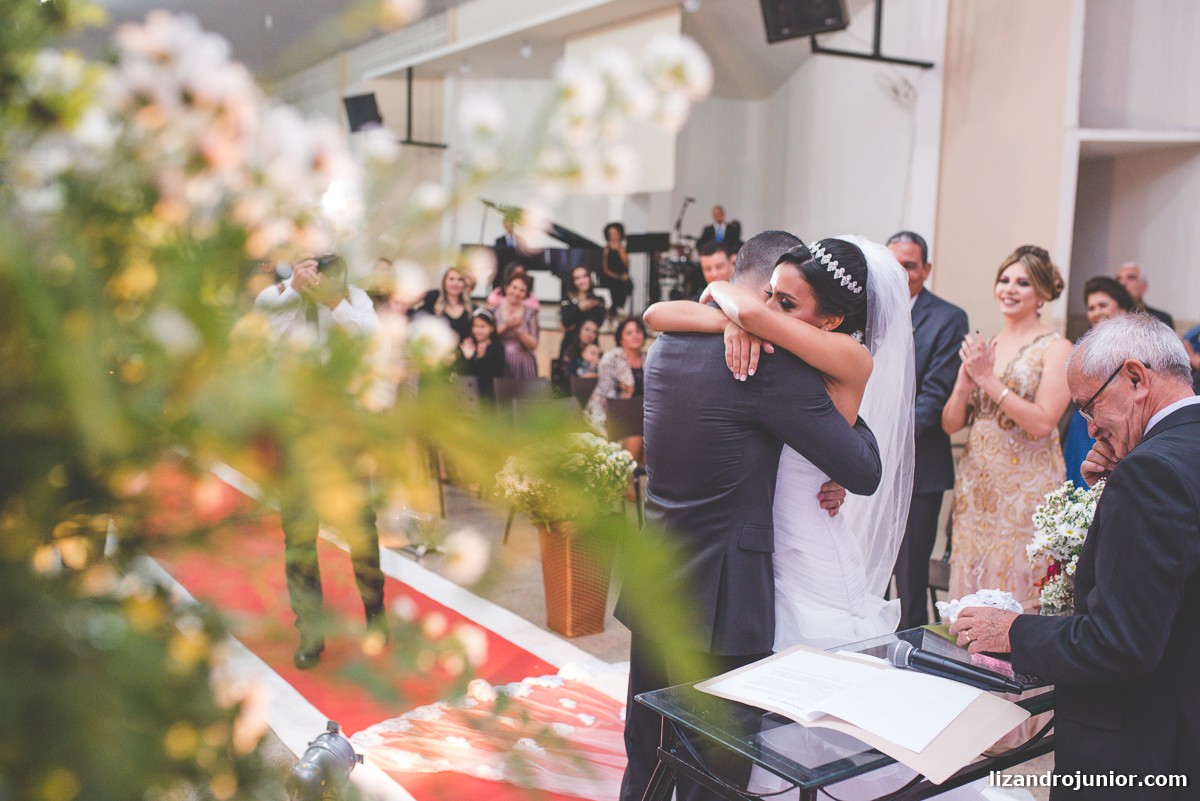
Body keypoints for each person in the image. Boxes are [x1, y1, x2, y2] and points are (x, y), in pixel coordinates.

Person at [618, 230, 885, 801]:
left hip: (655, 567)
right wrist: (853, 430)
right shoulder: (767, 364)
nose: (773, 311)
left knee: (646, 747)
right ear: (762, 290)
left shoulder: (667, 343)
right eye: (776, 300)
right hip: (723, 593)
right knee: (715, 768)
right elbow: (862, 470)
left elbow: (658, 312)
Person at [950, 313, 1200, 799]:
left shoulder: (1150, 472)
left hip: (1139, 749)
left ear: (1135, 378)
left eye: (1089, 406)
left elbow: (1119, 642)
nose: (1090, 427)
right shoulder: (1169, 453)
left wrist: (1012, 630)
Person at [645, 235, 914, 649]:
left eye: (786, 303)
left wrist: (719, 288)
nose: (771, 309)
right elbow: (655, 313)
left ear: (831, 320)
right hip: (772, 548)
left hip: (808, 543)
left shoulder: (846, 353)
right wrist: (727, 321)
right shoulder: (789, 352)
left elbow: (751, 314)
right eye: (769, 294)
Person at [254, 253, 387, 669]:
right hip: (296, 431)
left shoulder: (356, 302)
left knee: (360, 528)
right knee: (298, 535)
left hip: (344, 431)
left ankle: (375, 615)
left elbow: (371, 343)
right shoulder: (276, 299)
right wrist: (296, 291)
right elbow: (264, 337)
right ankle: (310, 630)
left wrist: (334, 303)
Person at [942, 245, 1072, 607]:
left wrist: (987, 380)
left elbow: (1043, 422)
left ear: (1042, 293)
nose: (1010, 289)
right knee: (973, 567)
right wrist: (963, 386)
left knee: (1017, 569)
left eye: (1022, 283)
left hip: (1026, 485)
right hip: (978, 482)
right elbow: (951, 424)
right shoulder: (988, 346)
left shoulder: (1056, 348)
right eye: (1004, 280)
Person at [885, 230, 970, 629]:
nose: (901, 273)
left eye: (910, 265)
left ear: (926, 269)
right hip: (864, 461)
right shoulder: (867, 309)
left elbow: (934, 396)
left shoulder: (948, 319)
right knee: (863, 572)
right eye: (893, 264)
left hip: (919, 467)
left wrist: (885, 440)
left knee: (910, 577)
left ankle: (910, 652)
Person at [1061, 277, 1134, 487]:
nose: (1096, 312)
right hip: (1083, 423)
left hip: (1118, 423)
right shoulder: (1084, 346)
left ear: (1122, 307)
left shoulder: (1137, 344)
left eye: (1103, 305)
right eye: (1091, 308)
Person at [584, 317, 648, 462]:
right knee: (638, 433)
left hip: (639, 416)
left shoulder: (649, 358)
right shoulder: (611, 358)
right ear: (621, 339)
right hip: (609, 414)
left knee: (653, 436)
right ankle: (628, 472)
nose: (635, 335)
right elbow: (607, 394)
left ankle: (640, 473)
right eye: (629, 333)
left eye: (638, 331)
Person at [492, 272, 539, 380]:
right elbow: (489, 337)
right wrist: (505, 326)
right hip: (500, 359)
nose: (517, 293)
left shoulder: (530, 313)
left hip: (524, 362)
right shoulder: (495, 310)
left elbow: (534, 345)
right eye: (514, 287)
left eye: (522, 290)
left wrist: (518, 329)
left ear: (526, 294)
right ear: (506, 287)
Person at [455, 307, 505, 401]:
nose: (478, 330)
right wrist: (468, 358)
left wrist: (481, 358)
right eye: (475, 326)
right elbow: (463, 372)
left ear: (492, 328)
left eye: (482, 327)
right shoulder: (469, 345)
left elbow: (498, 373)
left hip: (488, 395)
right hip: (469, 395)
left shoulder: (497, 347)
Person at [418, 266, 475, 342]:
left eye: (460, 280)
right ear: (444, 282)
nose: (455, 283)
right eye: (451, 279)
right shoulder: (432, 301)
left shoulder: (471, 309)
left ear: (464, 284)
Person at [1115, 261, 1175, 330]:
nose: (1122, 283)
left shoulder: (1161, 319)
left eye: (1131, 278)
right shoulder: (1109, 316)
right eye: (1118, 279)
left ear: (1144, 286)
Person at [598, 222, 634, 317]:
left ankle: (617, 307)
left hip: (621, 275)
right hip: (608, 276)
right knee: (615, 285)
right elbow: (605, 269)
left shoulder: (623, 249)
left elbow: (626, 264)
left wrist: (620, 251)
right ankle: (614, 309)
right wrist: (618, 276)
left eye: (616, 234)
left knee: (629, 284)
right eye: (611, 234)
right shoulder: (605, 250)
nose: (614, 236)